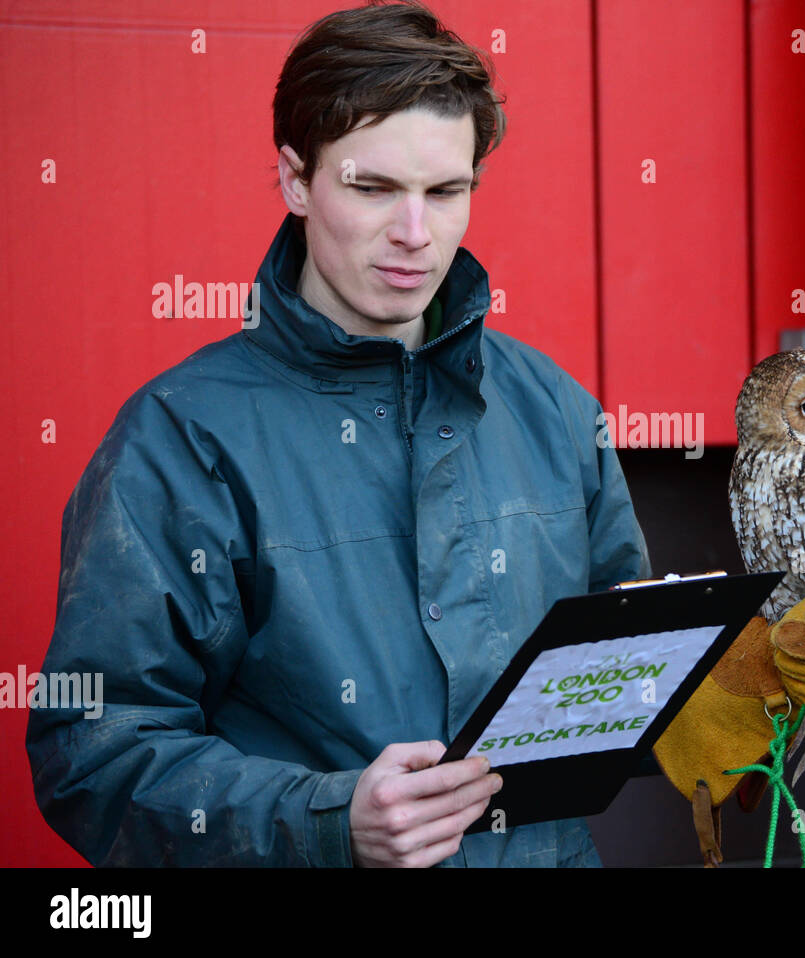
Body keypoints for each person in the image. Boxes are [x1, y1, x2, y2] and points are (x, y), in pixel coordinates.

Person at [26, 0, 651, 867]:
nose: (414, 235)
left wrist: (765, 675)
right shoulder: (181, 437)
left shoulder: (551, 408)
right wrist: (326, 820)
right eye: (372, 188)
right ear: (295, 180)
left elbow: (632, 675)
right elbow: (93, 752)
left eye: (446, 191)